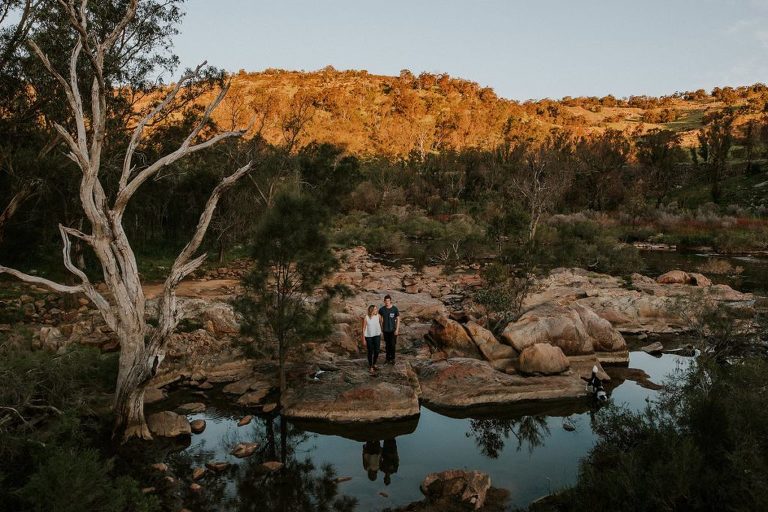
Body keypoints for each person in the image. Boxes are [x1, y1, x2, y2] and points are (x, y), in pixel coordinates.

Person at [378, 294, 400, 365]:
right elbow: (379, 318)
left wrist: (397, 330)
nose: (387, 302)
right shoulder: (382, 309)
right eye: (386, 301)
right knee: (387, 345)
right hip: (385, 330)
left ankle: (392, 359)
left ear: (390, 301)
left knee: (393, 345)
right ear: (384, 301)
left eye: (388, 301)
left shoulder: (394, 309)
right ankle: (387, 359)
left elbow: (398, 319)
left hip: (393, 330)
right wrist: (381, 327)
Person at [361, 304, 382, 374]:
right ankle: (370, 366)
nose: (376, 310)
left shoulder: (378, 316)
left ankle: (374, 363)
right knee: (370, 351)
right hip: (369, 336)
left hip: (377, 335)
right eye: (375, 309)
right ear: (371, 310)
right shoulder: (366, 317)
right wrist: (363, 338)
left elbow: (381, 322)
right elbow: (363, 328)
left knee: (377, 350)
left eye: (376, 309)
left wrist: (380, 330)